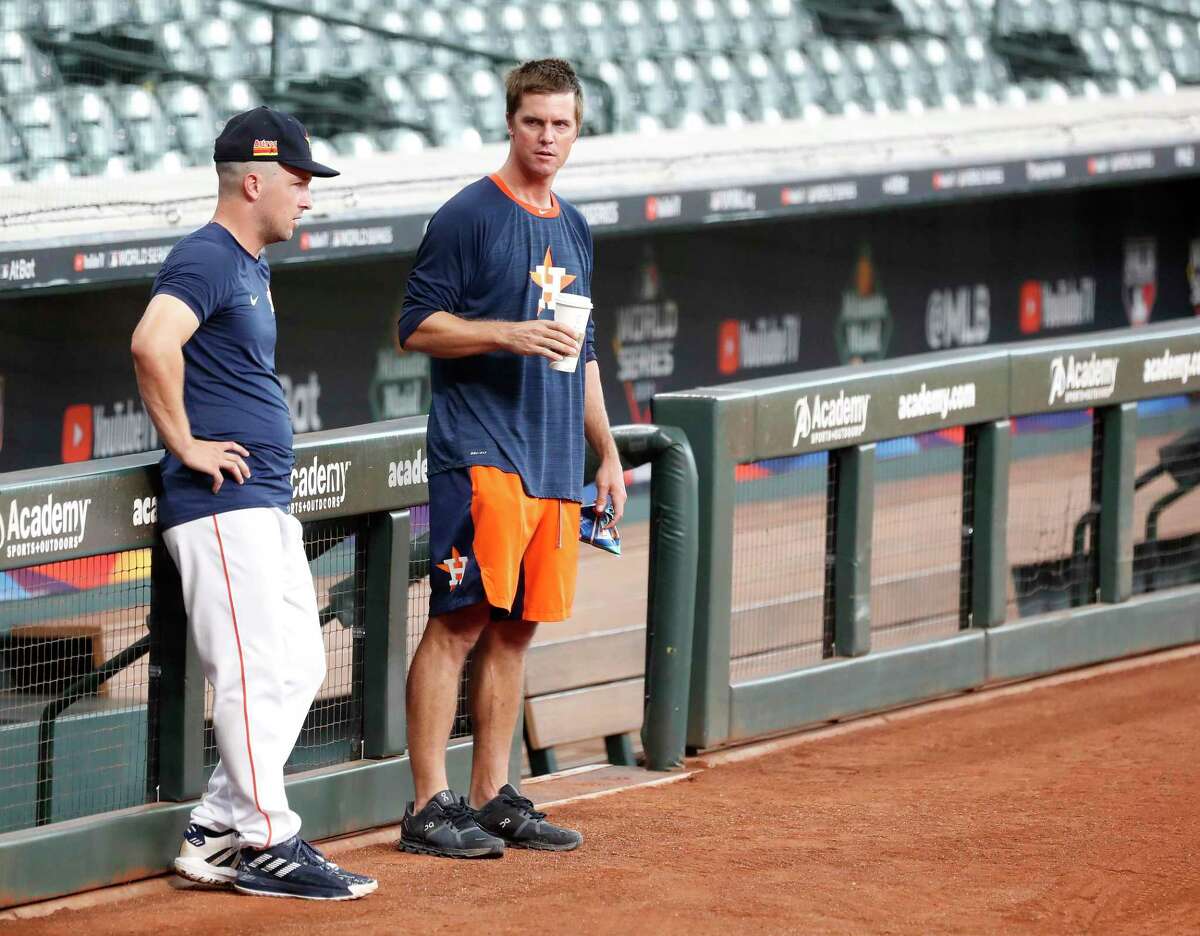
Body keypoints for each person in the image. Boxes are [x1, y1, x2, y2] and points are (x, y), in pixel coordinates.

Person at [130, 107, 377, 901]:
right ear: (253, 180)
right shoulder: (205, 255)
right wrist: (187, 445)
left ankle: (213, 827)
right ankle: (270, 841)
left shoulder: (250, 264)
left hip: (262, 500)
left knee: (299, 665)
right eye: (299, 182)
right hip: (216, 505)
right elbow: (150, 342)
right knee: (247, 671)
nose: (307, 197)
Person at [396, 58, 627, 858]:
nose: (548, 137)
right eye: (534, 121)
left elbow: (583, 348)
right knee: (459, 621)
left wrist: (606, 450)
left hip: (558, 456)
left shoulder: (574, 225)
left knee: (517, 630)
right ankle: (429, 802)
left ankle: (493, 794)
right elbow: (416, 327)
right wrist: (504, 332)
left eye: (561, 123)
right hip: (481, 448)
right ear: (510, 121)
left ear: (577, 129)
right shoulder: (468, 214)